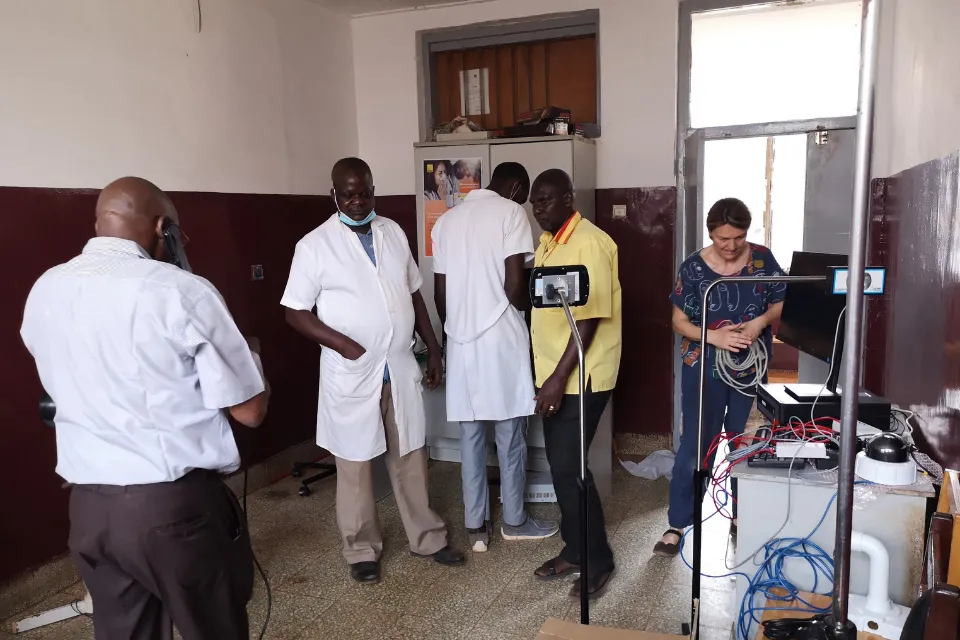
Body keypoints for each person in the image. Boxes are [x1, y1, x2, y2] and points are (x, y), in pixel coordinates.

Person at [20, 177, 269, 640]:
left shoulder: (46, 289)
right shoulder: (181, 291)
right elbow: (249, 410)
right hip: (172, 511)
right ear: (163, 228)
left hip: (90, 511)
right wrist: (249, 354)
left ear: (100, 223)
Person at [281, 157, 464, 585]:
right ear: (334, 195)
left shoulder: (392, 232)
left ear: (373, 191)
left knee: (411, 455)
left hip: (398, 366)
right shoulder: (314, 245)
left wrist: (434, 350)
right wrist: (343, 344)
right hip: (352, 372)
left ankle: (428, 538)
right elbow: (294, 312)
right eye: (349, 195)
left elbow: (414, 294)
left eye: (364, 193)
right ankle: (361, 548)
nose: (358, 201)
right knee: (355, 464)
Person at [432, 162, 560, 552]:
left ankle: (475, 527)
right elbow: (515, 284)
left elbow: (440, 293)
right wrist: (533, 311)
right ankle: (514, 521)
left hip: (460, 340)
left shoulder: (446, 222)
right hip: (502, 336)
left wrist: (454, 330)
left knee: (470, 435)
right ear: (517, 188)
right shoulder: (510, 213)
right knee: (510, 434)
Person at [653, 197, 786, 557]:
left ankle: (743, 515)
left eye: (738, 238)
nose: (731, 246)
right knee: (697, 443)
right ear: (710, 233)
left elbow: (780, 300)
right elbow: (679, 321)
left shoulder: (762, 260)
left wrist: (759, 322)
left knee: (747, 441)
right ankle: (678, 523)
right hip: (703, 367)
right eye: (723, 238)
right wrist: (715, 337)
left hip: (750, 369)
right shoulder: (694, 268)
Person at [528, 169, 621, 600]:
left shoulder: (589, 242)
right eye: (534, 201)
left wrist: (556, 378)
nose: (537, 208)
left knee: (571, 469)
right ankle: (576, 549)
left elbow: (588, 319)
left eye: (545, 200)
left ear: (568, 198)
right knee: (563, 468)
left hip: (580, 375)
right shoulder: (550, 241)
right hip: (555, 374)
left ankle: (598, 560)